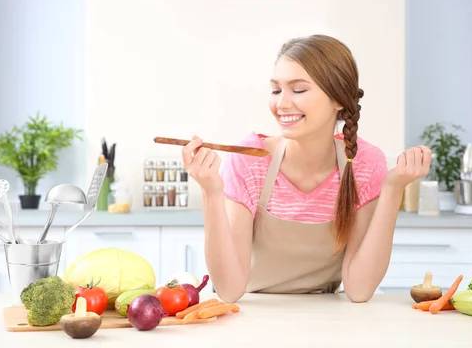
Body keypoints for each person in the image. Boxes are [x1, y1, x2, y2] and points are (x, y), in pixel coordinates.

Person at [181, 34, 431, 303]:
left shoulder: (364, 164)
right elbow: (229, 290)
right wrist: (211, 193)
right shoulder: (249, 160)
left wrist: (393, 189)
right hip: (254, 315)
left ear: (338, 99)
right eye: (276, 90)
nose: (281, 103)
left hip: (328, 320)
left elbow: (359, 290)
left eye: (298, 90)